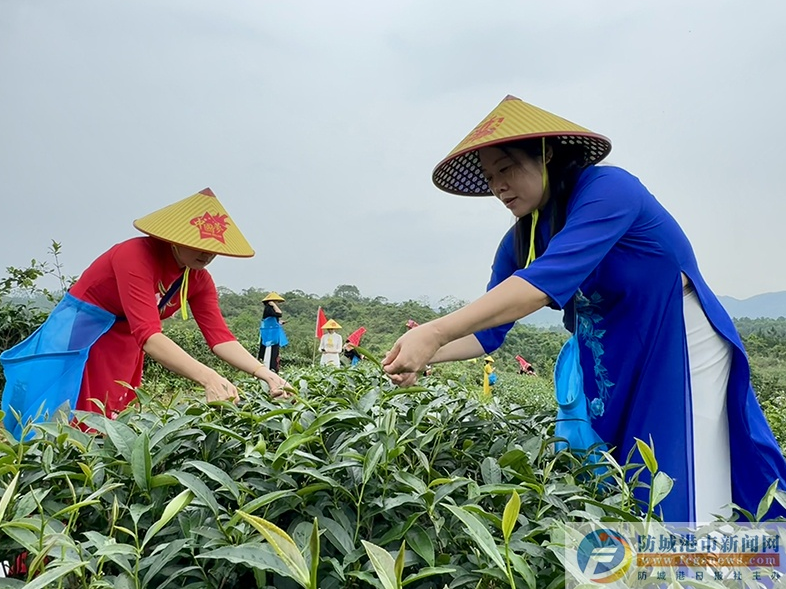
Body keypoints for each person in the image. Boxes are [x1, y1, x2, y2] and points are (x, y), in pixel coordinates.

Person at [382, 95, 786, 523]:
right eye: (489, 177)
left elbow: (537, 288)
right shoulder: (521, 239)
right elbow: (486, 333)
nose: (497, 186)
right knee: (624, 481)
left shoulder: (608, 190)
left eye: (506, 168)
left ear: (546, 154)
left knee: (678, 477)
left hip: (680, 343)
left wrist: (434, 332)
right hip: (614, 356)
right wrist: (423, 353)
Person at [1, 188, 289, 440]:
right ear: (174, 238)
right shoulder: (136, 255)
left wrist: (264, 373)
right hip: (86, 335)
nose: (207, 254)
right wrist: (208, 377)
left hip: (128, 339)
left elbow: (219, 337)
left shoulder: (197, 278)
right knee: (71, 414)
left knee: (115, 417)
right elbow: (150, 337)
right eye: (198, 244)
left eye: (213, 248)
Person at [258, 291, 288, 373]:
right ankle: (270, 368)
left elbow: (273, 320)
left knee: (274, 351)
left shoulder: (270, 309)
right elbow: (279, 313)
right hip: (270, 336)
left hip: (272, 334)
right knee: (270, 351)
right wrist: (273, 305)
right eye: (275, 301)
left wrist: (280, 322)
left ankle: (273, 367)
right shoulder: (269, 308)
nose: (277, 303)